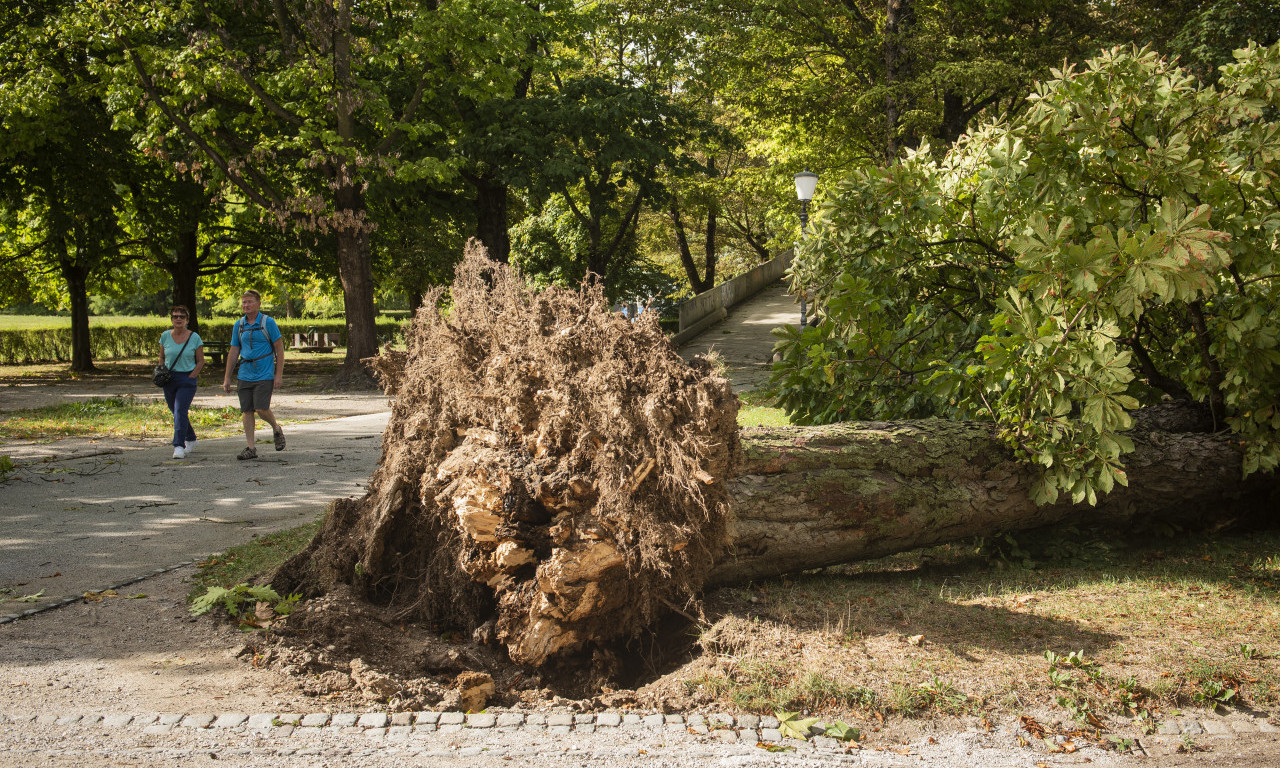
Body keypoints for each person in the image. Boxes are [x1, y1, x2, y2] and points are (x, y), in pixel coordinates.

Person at [222, 289, 285, 460]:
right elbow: (234, 351)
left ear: (258, 303)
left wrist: (278, 375)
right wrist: (227, 377)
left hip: (264, 373)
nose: (246, 305)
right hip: (244, 373)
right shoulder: (239, 325)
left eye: (249, 301)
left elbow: (279, 348)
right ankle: (251, 448)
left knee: (261, 409)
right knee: (247, 410)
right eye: (243, 302)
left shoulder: (268, 322)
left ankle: (276, 428)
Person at [159, 305, 205, 460]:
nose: (178, 319)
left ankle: (179, 445)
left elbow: (200, 361)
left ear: (187, 320)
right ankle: (191, 438)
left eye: (182, 316)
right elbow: (162, 357)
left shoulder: (194, 337)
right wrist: (161, 369)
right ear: (171, 319)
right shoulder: (165, 336)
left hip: (187, 379)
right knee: (177, 411)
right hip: (169, 378)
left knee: (180, 411)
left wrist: (192, 376)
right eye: (175, 316)